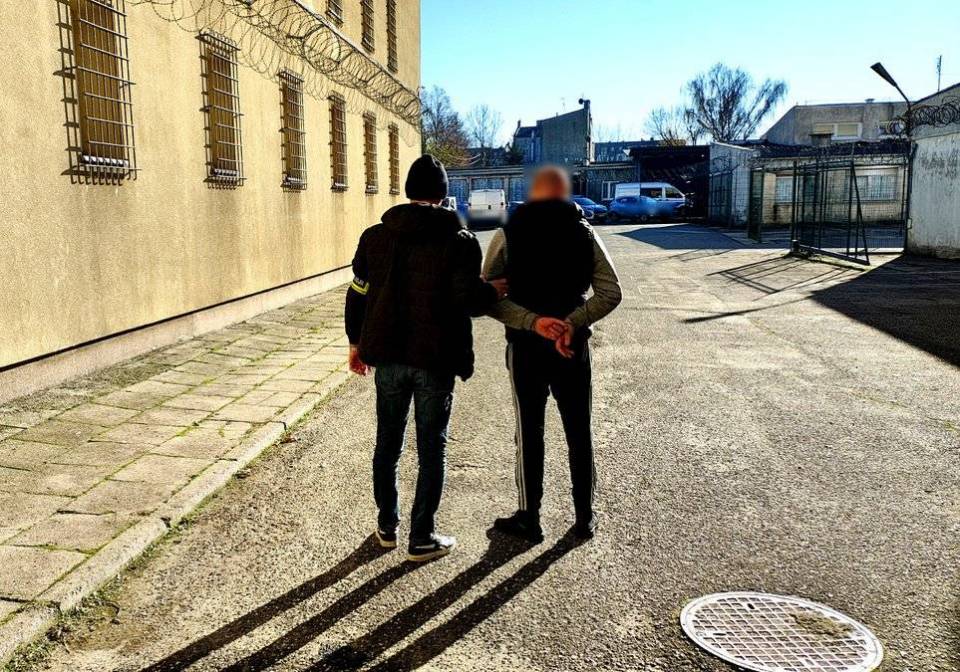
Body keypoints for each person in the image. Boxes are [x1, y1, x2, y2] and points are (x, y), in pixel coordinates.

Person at [345, 154, 507, 562]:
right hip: (435, 359)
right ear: (442, 194)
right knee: (432, 448)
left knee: (388, 443)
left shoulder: (374, 237)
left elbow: (358, 293)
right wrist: (494, 289)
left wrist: (355, 343)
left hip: (388, 358)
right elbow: (468, 300)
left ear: (408, 191)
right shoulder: (459, 241)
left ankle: (387, 526)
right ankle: (422, 537)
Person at [483, 165, 622, 542]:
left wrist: (533, 322)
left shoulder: (508, 232)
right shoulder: (583, 231)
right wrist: (572, 323)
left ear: (532, 192)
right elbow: (611, 292)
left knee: (529, 432)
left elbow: (487, 296)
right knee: (579, 430)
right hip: (571, 348)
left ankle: (530, 518)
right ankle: (584, 517)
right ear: (564, 192)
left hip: (525, 347)